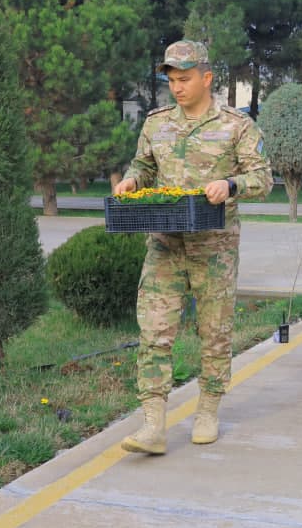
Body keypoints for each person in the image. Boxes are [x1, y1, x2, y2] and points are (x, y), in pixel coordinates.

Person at [112, 40, 271, 454]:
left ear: (206, 77)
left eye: (184, 79)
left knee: (214, 332)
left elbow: (262, 178)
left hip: (214, 246)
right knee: (154, 330)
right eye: (171, 80)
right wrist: (132, 180)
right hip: (165, 241)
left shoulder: (237, 125)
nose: (177, 88)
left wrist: (230, 185)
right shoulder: (156, 122)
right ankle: (153, 424)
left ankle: (208, 409)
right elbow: (144, 165)